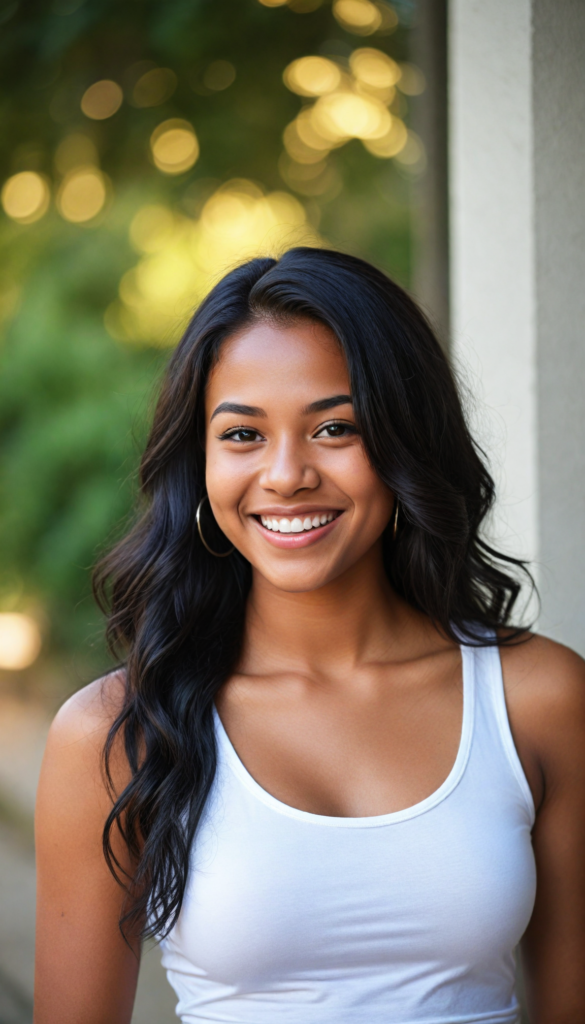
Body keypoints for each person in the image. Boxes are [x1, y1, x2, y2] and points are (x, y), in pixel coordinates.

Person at [35, 248, 585, 1024]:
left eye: (334, 427)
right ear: (200, 462)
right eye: (242, 435)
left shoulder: (538, 699)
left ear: (405, 443)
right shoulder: (116, 733)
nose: (286, 474)